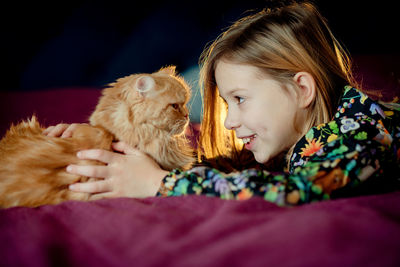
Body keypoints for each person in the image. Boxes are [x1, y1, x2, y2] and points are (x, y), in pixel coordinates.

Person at [45, 1, 400, 205]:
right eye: (229, 103)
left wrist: (158, 185)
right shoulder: (292, 134)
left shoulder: (360, 136)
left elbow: (297, 191)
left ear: (302, 90)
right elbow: (222, 172)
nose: (229, 123)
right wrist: (107, 146)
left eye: (240, 100)